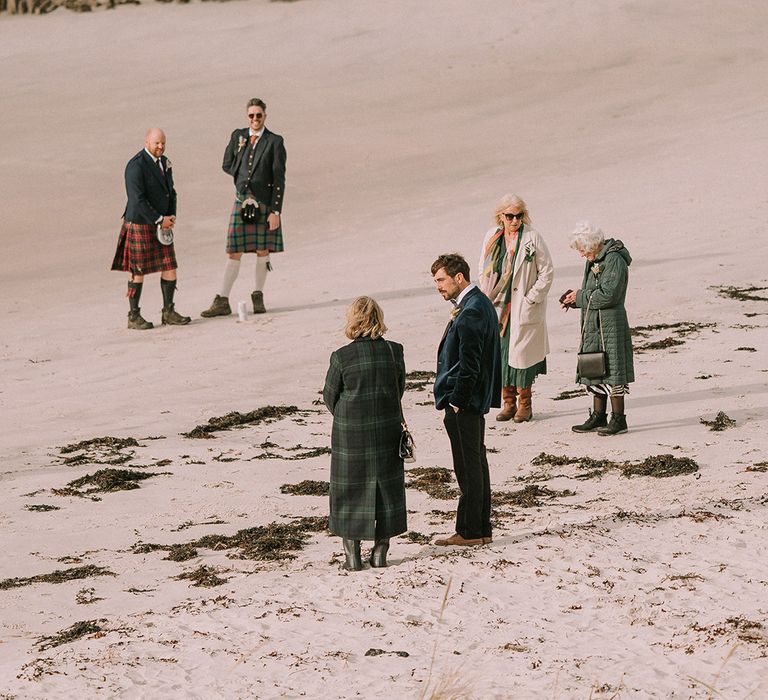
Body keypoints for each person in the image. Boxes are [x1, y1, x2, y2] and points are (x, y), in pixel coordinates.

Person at [322, 296, 407, 570]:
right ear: (378, 319)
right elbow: (399, 389)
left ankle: (352, 556)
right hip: (387, 428)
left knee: (349, 490)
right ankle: (380, 552)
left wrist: (349, 414)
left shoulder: (341, 357)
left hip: (351, 433)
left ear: (353, 321)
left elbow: (329, 397)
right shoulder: (395, 351)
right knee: (387, 487)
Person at [432, 254, 501, 546]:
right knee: (475, 462)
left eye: (441, 280)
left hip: (465, 401)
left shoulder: (472, 309)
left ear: (459, 277)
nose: (438, 286)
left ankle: (471, 531)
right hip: (471, 399)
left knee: (467, 465)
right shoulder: (478, 303)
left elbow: (470, 363)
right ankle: (479, 528)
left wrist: (457, 400)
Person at [201, 98, 286, 318]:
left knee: (262, 250)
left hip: (264, 203)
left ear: (265, 115)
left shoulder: (274, 141)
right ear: (247, 116)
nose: (255, 119)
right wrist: (242, 180)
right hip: (241, 201)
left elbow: (279, 178)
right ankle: (222, 300)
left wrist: (276, 211)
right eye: (251, 115)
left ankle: (258, 295)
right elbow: (226, 163)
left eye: (259, 115)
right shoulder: (238, 136)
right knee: (234, 251)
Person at [478, 194, 554, 422]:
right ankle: (508, 402)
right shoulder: (491, 237)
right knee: (501, 355)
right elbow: (483, 266)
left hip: (522, 307)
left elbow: (547, 271)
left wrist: (532, 298)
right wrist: (486, 293)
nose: (514, 220)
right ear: (501, 216)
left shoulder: (532, 237)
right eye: (509, 216)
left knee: (522, 358)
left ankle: (525, 404)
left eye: (518, 216)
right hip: (498, 306)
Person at [111, 127, 190, 330]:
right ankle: (133, 316)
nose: (160, 146)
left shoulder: (164, 162)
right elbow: (137, 200)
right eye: (156, 143)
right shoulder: (135, 166)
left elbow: (171, 192)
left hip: (161, 223)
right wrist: (158, 219)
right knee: (138, 271)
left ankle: (168, 311)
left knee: (169, 266)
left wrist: (171, 216)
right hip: (140, 223)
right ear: (147, 142)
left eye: (163, 143)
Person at [561, 221, 635, 435]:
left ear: (593, 244)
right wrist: (574, 300)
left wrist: (581, 296)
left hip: (611, 323)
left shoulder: (614, 260)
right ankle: (598, 416)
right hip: (594, 322)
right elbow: (592, 292)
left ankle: (619, 419)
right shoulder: (595, 258)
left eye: (583, 249)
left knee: (613, 370)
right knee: (595, 367)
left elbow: (609, 295)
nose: (582, 254)